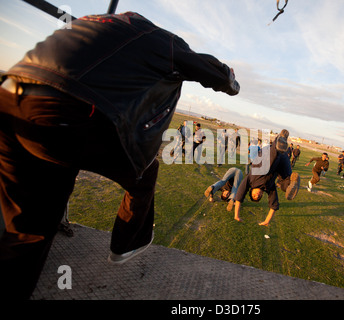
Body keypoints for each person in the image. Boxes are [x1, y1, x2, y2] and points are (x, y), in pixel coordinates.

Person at [0, 11, 239, 299]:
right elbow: (218, 76)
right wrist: (230, 80)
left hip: (8, 99)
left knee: (30, 223)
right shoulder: (159, 39)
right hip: (64, 108)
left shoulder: (90, 22)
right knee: (145, 171)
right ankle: (127, 242)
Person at [234, 130, 300, 226]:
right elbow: (273, 205)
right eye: (260, 197)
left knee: (267, 166)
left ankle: (280, 139)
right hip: (282, 160)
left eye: (255, 195)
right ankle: (292, 182)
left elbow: (239, 196)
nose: (258, 195)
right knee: (284, 184)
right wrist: (267, 221)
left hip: (267, 156)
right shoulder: (269, 187)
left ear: (251, 190)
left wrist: (236, 215)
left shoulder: (250, 180)